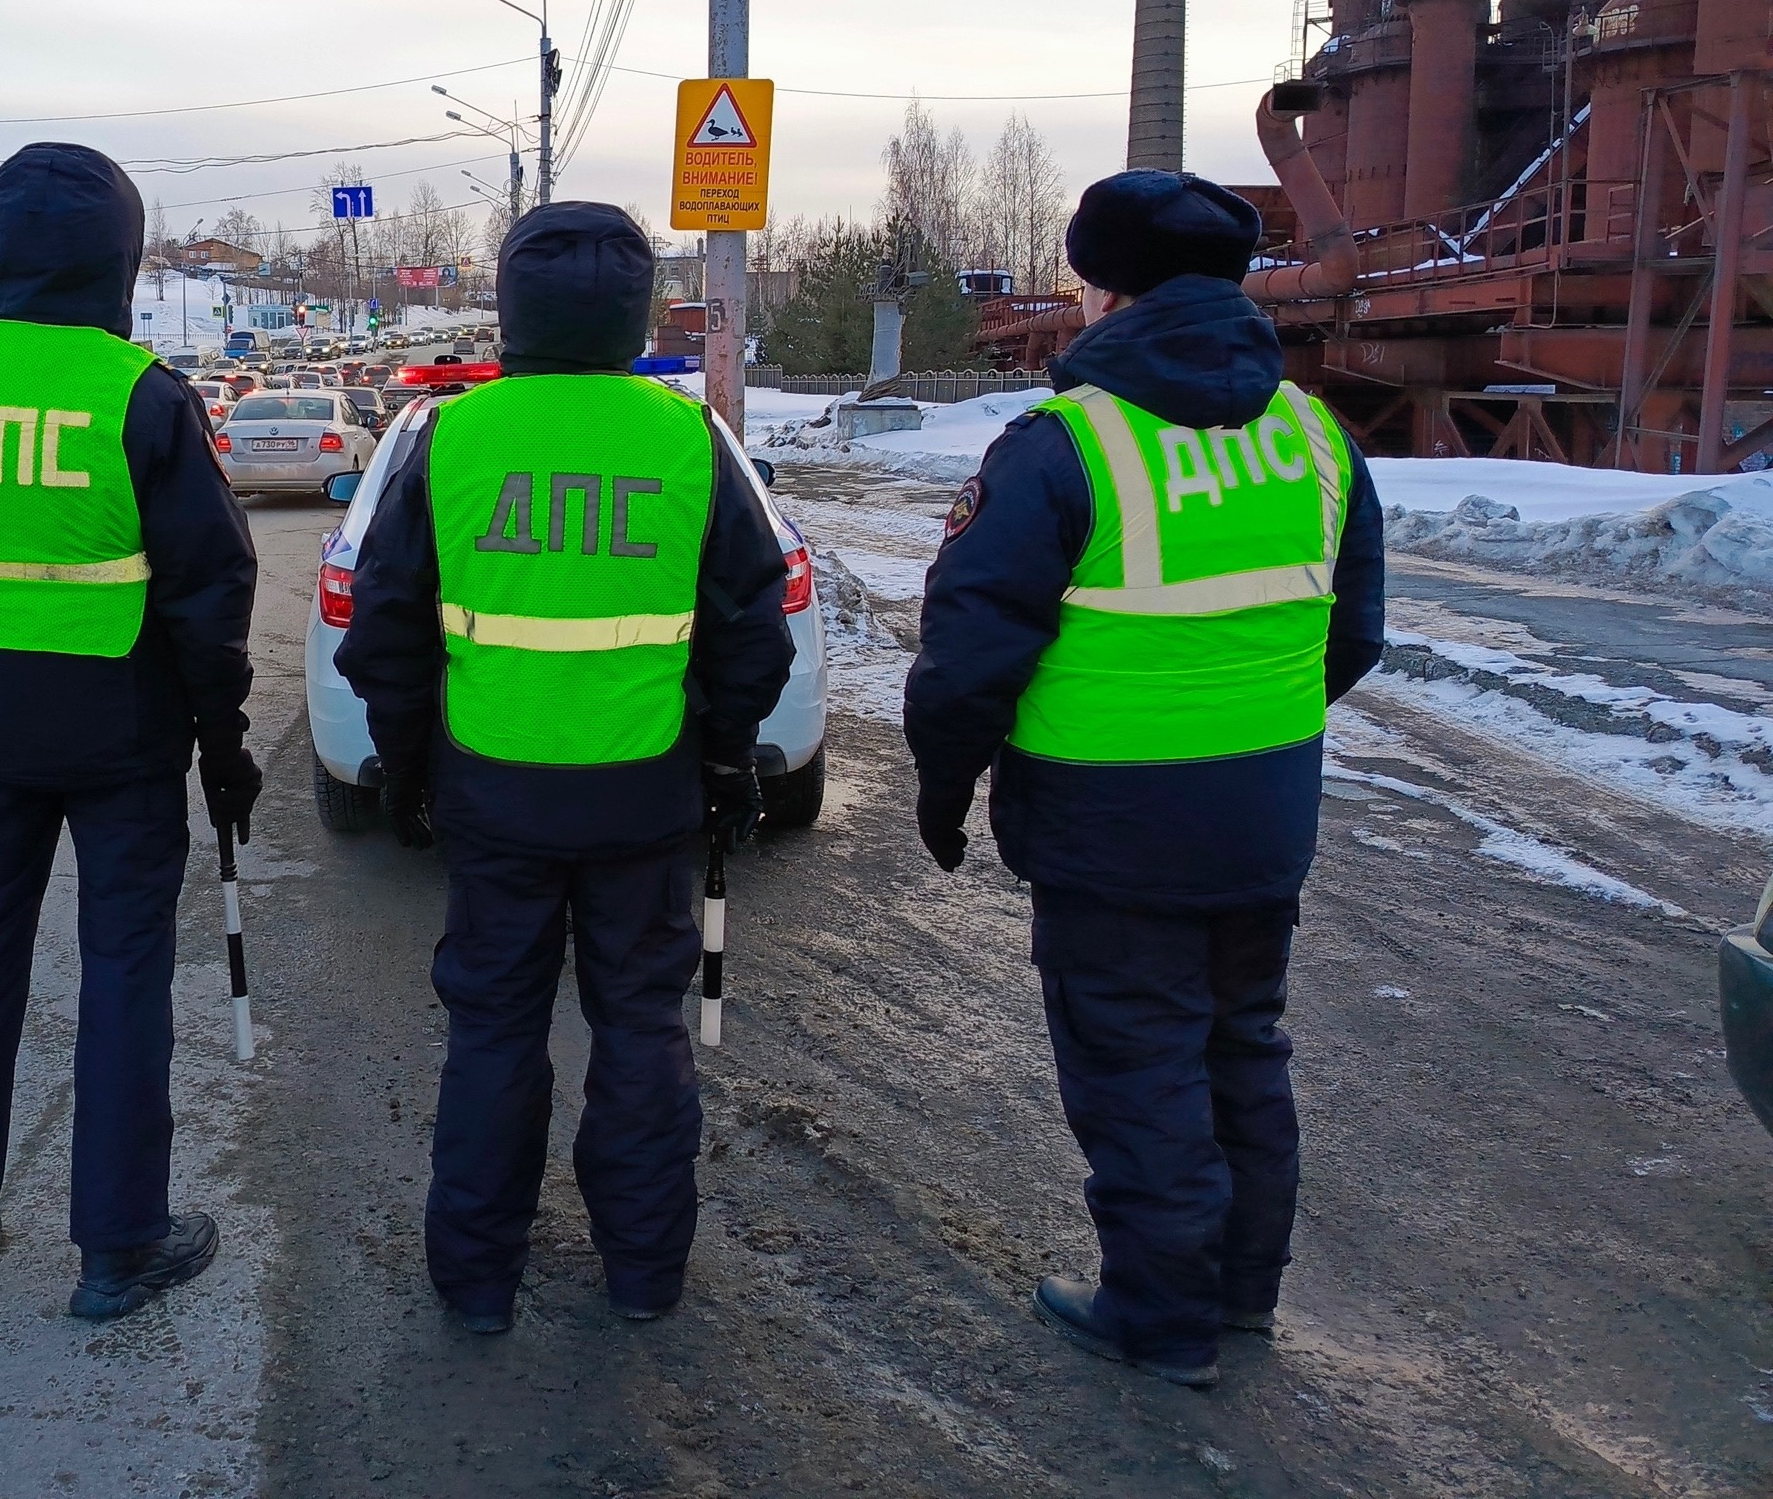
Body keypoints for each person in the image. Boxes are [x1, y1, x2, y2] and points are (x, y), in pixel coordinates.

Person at [902, 170, 1385, 1391]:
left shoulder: (1065, 448)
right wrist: (1247, 735)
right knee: (1241, 1047)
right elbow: (1353, 633)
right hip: (1263, 815)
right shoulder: (1315, 436)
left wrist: (945, 787)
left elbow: (970, 653)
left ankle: (1158, 1321)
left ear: (1103, 290)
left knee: (1138, 1066)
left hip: (1109, 825)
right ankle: (1237, 1299)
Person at [336, 201, 796, 1334]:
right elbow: (755, 632)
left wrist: (406, 771)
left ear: (514, 305)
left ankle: (477, 1286)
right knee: (642, 1031)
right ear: (631, 310)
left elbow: (387, 631)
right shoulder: (683, 440)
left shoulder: (456, 438)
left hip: (492, 799)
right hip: (644, 800)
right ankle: (643, 1277)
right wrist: (724, 757)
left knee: (493, 1034)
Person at [0, 141, 262, 1322]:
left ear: (4, 253)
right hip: (121, 735)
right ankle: (119, 1248)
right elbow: (208, 590)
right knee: (124, 972)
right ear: (119, 259)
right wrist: (220, 740)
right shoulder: (139, 392)